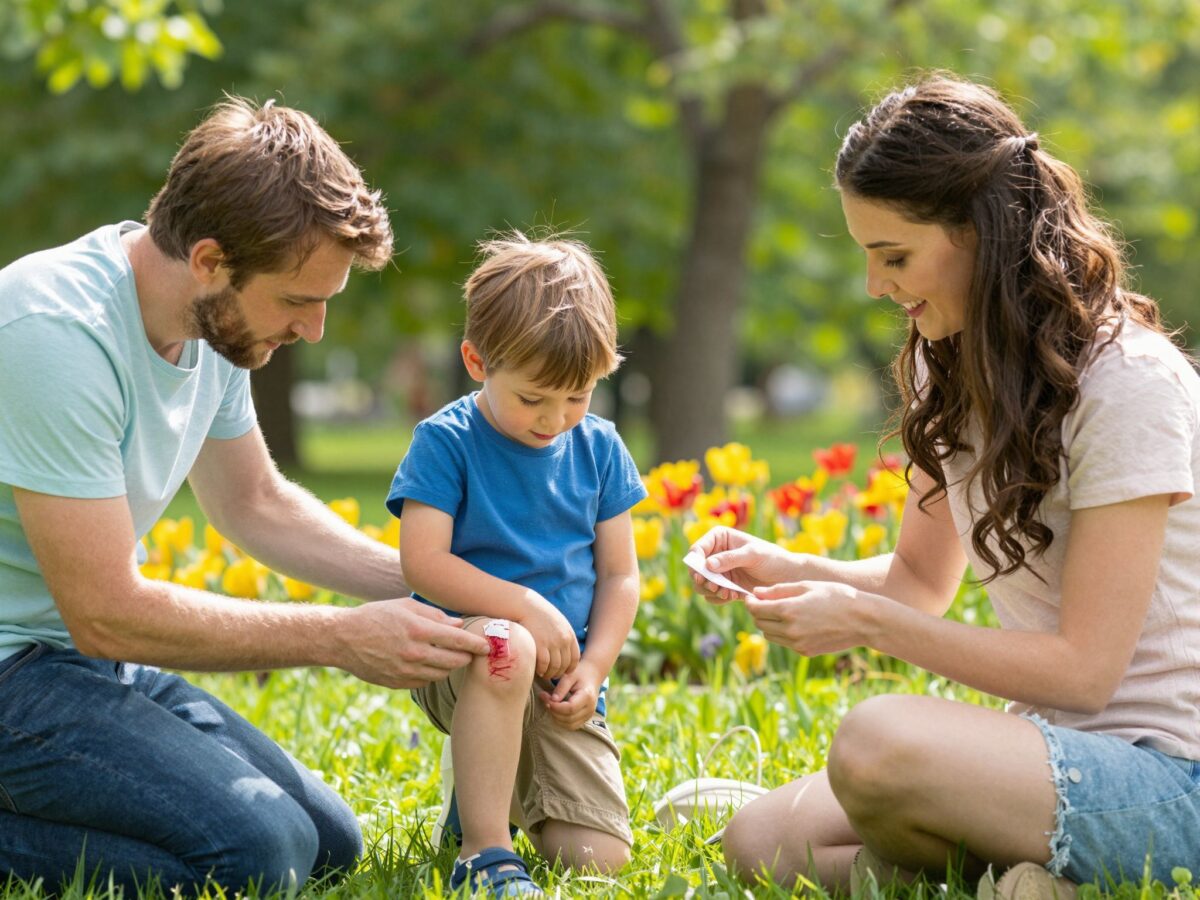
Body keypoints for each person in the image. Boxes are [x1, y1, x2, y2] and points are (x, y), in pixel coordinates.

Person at [691, 74, 1200, 898]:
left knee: (875, 741)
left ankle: (1014, 873)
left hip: (1172, 782)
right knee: (757, 841)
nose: (875, 286)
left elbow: (1084, 674)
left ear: (980, 232)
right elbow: (918, 584)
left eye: (894, 256)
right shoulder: (949, 366)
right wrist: (783, 565)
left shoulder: (1129, 383)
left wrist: (863, 622)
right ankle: (1023, 881)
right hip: (1039, 756)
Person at [0, 98, 490, 894]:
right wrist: (339, 638)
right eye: (299, 301)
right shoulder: (55, 332)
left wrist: (438, 579)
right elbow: (101, 608)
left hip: (87, 664)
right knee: (257, 858)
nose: (318, 329)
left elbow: (253, 501)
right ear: (207, 259)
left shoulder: (214, 328)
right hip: (17, 669)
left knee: (328, 840)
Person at [386, 234, 646, 896]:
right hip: (470, 656)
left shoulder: (601, 449)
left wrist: (593, 668)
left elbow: (620, 576)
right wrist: (524, 606)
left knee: (596, 860)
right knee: (509, 644)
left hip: (561, 683)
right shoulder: (445, 442)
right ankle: (485, 851)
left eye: (578, 396)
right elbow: (423, 563)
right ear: (477, 361)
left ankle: (485, 792)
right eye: (533, 397)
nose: (555, 419)